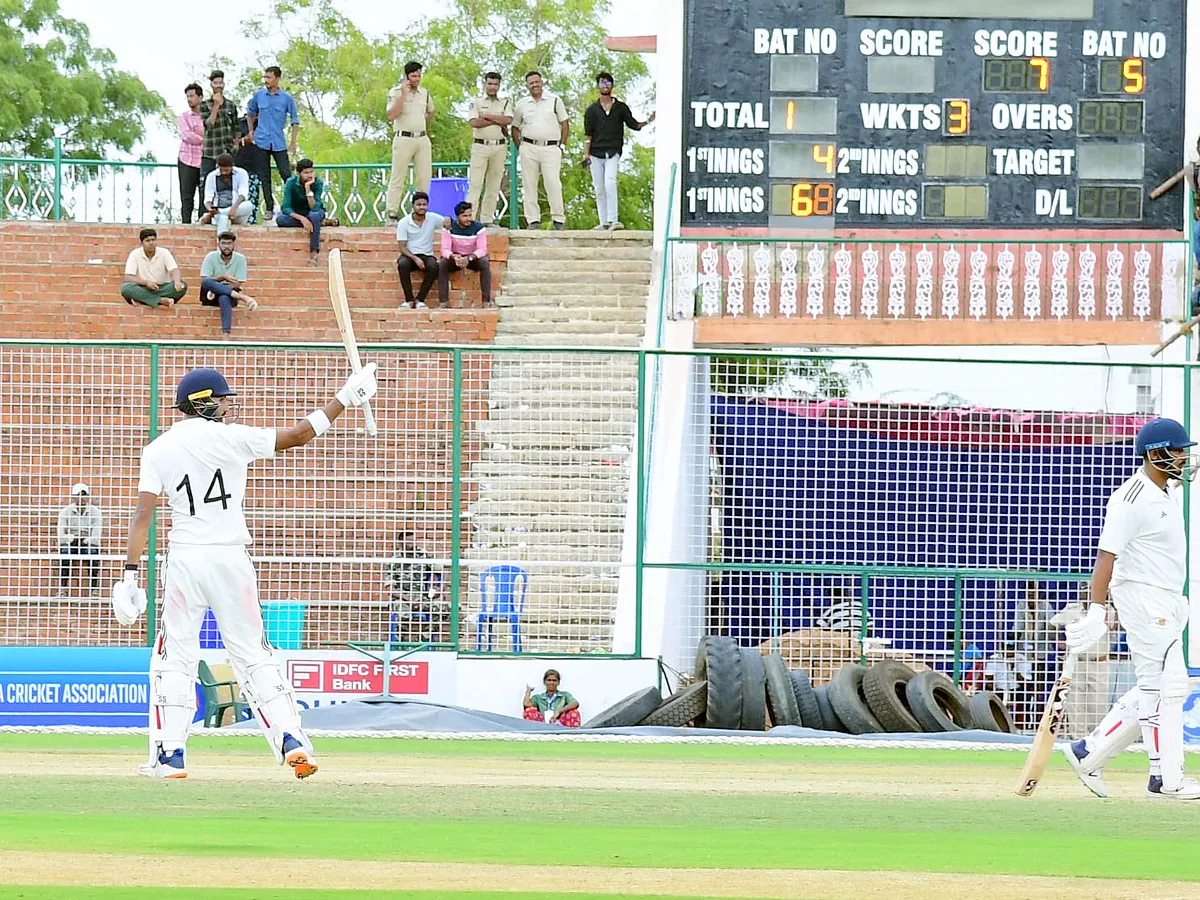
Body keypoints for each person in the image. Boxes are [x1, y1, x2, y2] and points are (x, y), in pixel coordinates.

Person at [111, 363, 379, 778]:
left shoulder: (157, 449)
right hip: (231, 558)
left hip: (185, 560)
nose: (227, 406)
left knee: (174, 658)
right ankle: (291, 738)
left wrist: (129, 573)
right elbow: (298, 436)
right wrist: (345, 397)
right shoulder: (233, 439)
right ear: (202, 402)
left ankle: (171, 754)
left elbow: (142, 515)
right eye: (221, 400)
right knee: (253, 653)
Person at [1062, 417, 1200, 800]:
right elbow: (1106, 557)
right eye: (1176, 451)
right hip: (1142, 597)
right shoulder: (1131, 497)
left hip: (1168, 598)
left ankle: (1088, 752)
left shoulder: (1166, 493)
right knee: (1167, 687)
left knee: (1154, 686)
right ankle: (1166, 779)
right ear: (1155, 454)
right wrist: (1096, 610)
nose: (1183, 459)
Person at [582, 72, 653, 231]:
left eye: (608, 83)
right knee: (599, 187)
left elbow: (634, 124)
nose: (605, 86)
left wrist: (649, 120)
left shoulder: (620, 108)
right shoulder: (592, 110)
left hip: (613, 151)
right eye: (602, 83)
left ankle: (613, 219)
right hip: (595, 153)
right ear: (597, 86)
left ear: (612, 86)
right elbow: (588, 134)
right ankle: (603, 221)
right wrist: (586, 154)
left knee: (610, 182)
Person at [511, 71, 569, 230]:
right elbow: (514, 128)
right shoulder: (522, 104)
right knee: (529, 184)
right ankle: (532, 220)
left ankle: (558, 219)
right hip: (529, 148)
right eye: (531, 83)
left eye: (537, 82)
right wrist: (520, 147)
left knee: (553, 183)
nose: (534, 85)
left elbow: (564, 123)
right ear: (527, 85)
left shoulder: (554, 100)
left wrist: (562, 146)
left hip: (551, 148)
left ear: (541, 82)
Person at [246, 66, 299, 218]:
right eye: (265, 77)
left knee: (286, 174)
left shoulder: (286, 98)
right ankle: (269, 208)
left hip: (278, 141)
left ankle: (291, 206)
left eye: (269, 77)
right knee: (264, 176)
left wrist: (293, 142)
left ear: (277, 78)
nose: (266, 81)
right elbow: (250, 113)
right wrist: (251, 131)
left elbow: (295, 121)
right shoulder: (258, 95)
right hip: (261, 140)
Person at [385, 61, 435, 220]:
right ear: (407, 76)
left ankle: (421, 211)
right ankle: (391, 212)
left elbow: (431, 112)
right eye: (414, 76)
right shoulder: (395, 92)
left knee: (424, 177)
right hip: (403, 138)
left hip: (421, 138)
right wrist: (404, 94)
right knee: (398, 176)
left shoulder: (425, 93)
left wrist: (421, 124)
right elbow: (391, 115)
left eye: (419, 75)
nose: (417, 79)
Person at [465, 72, 513, 227]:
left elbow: (508, 120)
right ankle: (469, 219)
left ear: (499, 85)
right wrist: (497, 120)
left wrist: (488, 117)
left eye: (495, 84)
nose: (492, 87)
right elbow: (474, 122)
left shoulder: (505, 103)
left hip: (499, 146)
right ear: (485, 84)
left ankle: (487, 219)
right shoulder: (476, 102)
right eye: (490, 84)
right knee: (475, 184)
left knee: (494, 185)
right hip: (480, 146)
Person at [384, 533, 446, 646]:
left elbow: (440, 571)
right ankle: (400, 646)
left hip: (422, 597)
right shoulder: (394, 560)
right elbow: (390, 589)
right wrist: (408, 599)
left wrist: (438, 588)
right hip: (402, 599)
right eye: (408, 541)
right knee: (404, 615)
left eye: (413, 540)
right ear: (400, 543)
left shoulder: (423, 555)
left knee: (444, 609)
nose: (411, 543)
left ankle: (423, 641)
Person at [200, 232, 259, 336]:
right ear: (218, 245)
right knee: (206, 282)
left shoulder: (240, 259)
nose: (226, 246)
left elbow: (238, 283)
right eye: (223, 243)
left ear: (234, 244)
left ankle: (225, 335)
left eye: (229, 243)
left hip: (228, 295)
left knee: (224, 297)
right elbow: (205, 279)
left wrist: (220, 288)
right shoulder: (210, 257)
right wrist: (223, 277)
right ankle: (244, 298)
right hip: (210, 294)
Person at [395, 191, 445, 309]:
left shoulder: (433, 218)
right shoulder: (404, 222)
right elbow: (402, 247)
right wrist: (415, 258)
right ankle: (409, 300)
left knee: (434, 266)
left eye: (424, 204)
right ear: (413, 206)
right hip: (410, 255)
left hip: (427, 254)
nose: (422, 207)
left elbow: (447, 223)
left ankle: (420, 300)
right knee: (402, 265)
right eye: (419, 204)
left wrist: (449, 220)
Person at [439, 201, 491, 308]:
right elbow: (444, 249)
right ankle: (444, 302)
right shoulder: (449, 227)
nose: (468, 219)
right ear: (457, 217)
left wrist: (470, 258)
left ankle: (486, 301)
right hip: (456, 258)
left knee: (484, 262)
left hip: (472, 258)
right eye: (464, 216)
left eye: (470, 215)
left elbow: (482, 250)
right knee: (442, 263)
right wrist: (453, 256)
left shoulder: (478, 227)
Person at [120, 228, 186, 307]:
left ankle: (145, 300)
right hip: (143, 288)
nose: (151, 243)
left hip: (162, 288)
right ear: (142, 243)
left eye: (153, 240)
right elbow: (128, 277)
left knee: (183, 286)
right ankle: (160, 300)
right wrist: (146, 283)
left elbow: (174, 270)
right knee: (126, 288)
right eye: (147, 241)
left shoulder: (164, 252)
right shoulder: (135, 254)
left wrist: (177, 282)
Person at [198, 70, 241, 192]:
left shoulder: (230, 105)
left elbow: (236, 127)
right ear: (211, 85)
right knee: (205, 185)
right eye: (215, 83)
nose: (218, 85)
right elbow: (208, 125)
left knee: (228, 186)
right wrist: (216, 106)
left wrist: (236, 144)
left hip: (227, 151)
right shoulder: (204, 105)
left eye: (220, 83)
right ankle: (205, 211)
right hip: (210, 152)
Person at [277, 158, 326, 264]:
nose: (309, 175)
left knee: (314, 216)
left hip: (314, 213)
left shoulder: (317, 182)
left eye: (311, 172)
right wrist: (302, 219)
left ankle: (314, 251)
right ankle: (319, 223)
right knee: (280, 220)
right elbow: (285, 207)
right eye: (306, 173)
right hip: (298, 214)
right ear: (299, 173)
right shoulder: (291, 182)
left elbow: (315, 208)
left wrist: (308, 188)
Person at [57, 483, 101, 593]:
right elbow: (61, 537)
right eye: (78, 496)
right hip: (70, 541)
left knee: (92, 553)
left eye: (84, 495)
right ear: (73, 497)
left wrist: (85, 539)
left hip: (87, 542)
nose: (81, 499)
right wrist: (72, 538)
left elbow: (96, 537)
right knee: (65, 552)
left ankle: (94, 588)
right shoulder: (65, 512)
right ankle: (63, 588)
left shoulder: (96, 512)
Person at [199, 153, 253, 235]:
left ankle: (216, 213)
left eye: (227, 170)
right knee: (223, 218)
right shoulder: (211, 176)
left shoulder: (242, 173)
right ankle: (221, 247)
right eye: (222, 170)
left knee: (249, 205)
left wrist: (234, 208)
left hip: (237, 212)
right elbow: (208, 198)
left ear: (232, 166)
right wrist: (210, 209)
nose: (224, 173)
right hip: (218, 213)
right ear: (218, 167)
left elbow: (243, 194)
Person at [177, 83, 205, 224]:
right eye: (187, 96)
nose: (189, 99)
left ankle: (202, 223)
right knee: (186, 196)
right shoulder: (183, 117)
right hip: (186, 159)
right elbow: (187, 135)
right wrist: (204, 140)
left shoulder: (207, 116)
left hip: (204, 159)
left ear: (200, 97)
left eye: (192, 96)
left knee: (204, 195)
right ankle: (185, 224)